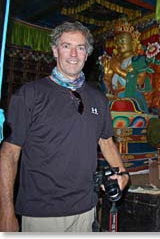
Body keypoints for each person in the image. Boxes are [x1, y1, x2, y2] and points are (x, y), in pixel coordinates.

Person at [0, 21, 129, 232]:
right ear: (55, 50)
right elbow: (9, 154)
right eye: (66, 46)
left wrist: (123, 174)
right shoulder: (29, 95)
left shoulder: (98, 99)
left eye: (80, 48)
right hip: (42, 213)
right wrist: (5, 212)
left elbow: (105, 140)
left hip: (87, 209)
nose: (73, 54)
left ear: (87, 54)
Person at [101, 22, 153, 113]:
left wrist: (118, 71)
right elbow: (109, 87)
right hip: (116, 97)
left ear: (133, 43)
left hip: (132, 97)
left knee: (119, 105)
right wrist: (107, 75)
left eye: (123, 41)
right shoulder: (114, 60)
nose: (119, 45)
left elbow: (139, 80)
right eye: (117, 42)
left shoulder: (138, 60)